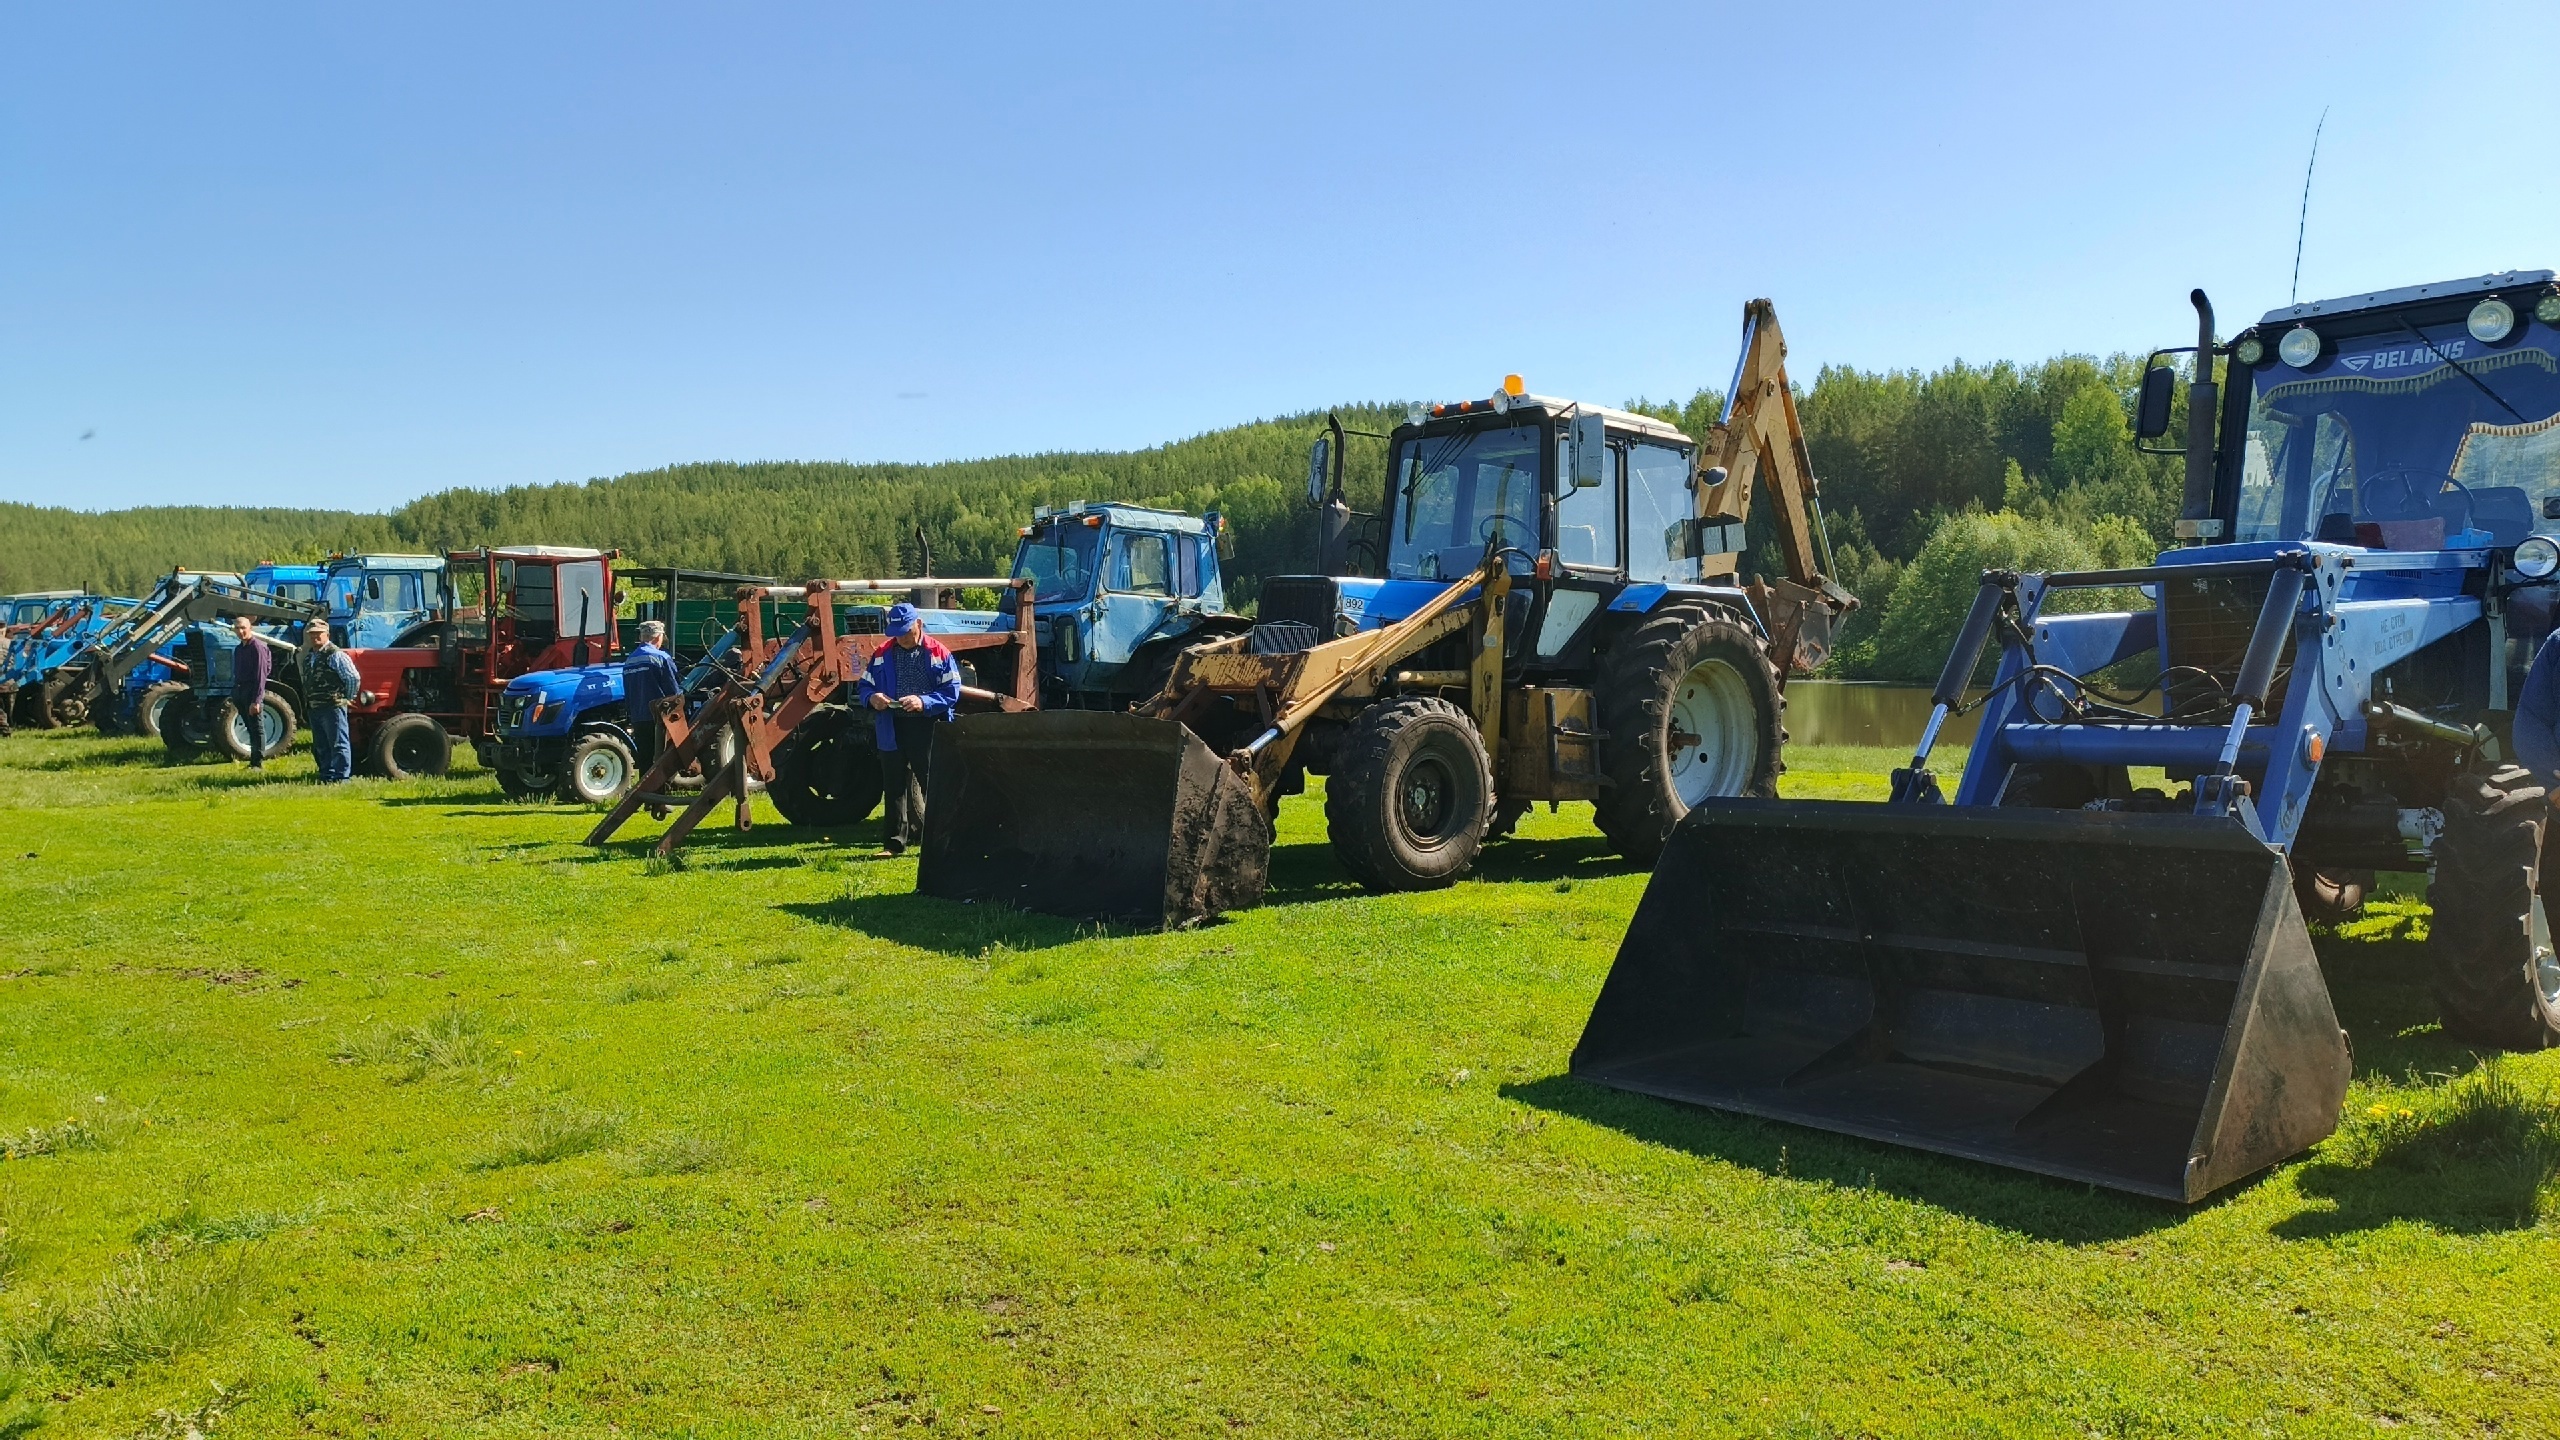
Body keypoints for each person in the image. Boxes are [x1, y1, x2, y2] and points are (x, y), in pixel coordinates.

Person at [854, 602, 961, 856]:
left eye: (906, 631)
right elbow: (864, 686)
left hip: (927, 726)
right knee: (893, 788)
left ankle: (943, 842)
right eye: (897, 633)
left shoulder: (939, 652)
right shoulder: (881, 653)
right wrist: (872, 698)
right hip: (890, 726)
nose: (902, 638)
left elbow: (952, 691)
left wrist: (923, 702)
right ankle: (893, 844)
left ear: (919, 625)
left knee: (933, 785)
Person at [299, 619, 369, 783]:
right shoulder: (310, 656)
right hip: (314, 707)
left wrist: (347, 698)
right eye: (312, 634)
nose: (315, 636)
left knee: (338, 743)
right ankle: (326, 775)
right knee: (321, 744)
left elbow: (352, 677)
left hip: (332, 706)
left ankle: (341, 777)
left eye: (318, 633)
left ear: (327, 635)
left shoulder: (335, 654)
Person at [621, 620, 682, 778]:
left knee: (645, 760)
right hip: (659, 718)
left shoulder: (629, 661)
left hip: (638, 717)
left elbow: (628, 692)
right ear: (658, 637)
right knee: (662, 759)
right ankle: (660, 797)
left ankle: (645, 794)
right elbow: (673, 691)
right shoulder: (661, 657)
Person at [228, 614, 273, 771]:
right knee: (249, 726)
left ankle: (257, 763)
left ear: (250, 628)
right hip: (240, 691)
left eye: (243, 628)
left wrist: (257, 700)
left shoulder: (257, 647)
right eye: (237, 628)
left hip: (252, 690)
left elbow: (261, 675)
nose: (240, 631)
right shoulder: (239, 649)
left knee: (256, 727)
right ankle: (253, 761)